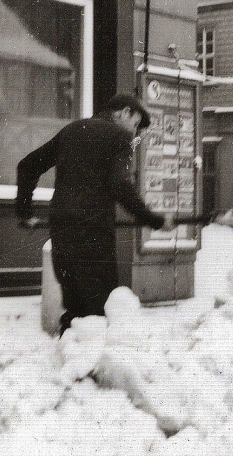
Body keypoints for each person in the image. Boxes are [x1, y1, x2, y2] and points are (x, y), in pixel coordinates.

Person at [16, 93, 175, 335]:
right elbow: (120, 185)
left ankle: (71, 363)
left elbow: (27, 166)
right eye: (134, 125)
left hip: (62, 230)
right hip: (93, 235)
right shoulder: (119, 137)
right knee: (99, 310)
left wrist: (24, 212)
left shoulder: (71, 130)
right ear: (125, 113)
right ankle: (88, 367)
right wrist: (155, 220)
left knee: (74, 308)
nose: (134, 133)